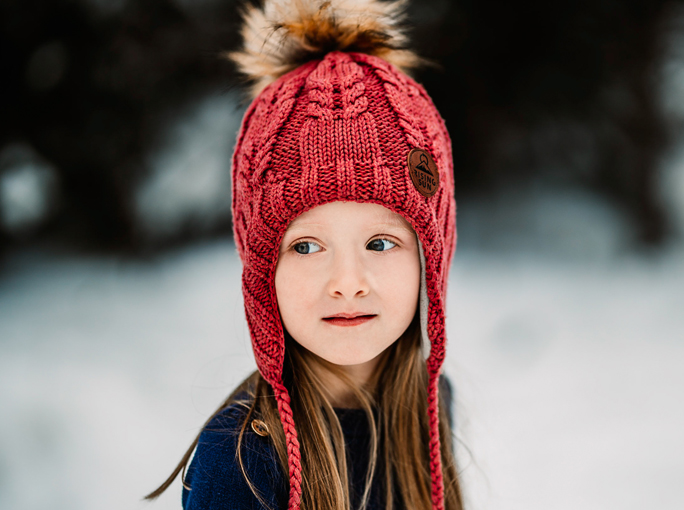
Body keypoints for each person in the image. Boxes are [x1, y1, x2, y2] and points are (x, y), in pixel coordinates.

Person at [146, 0, 463, 509]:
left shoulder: (428, 407)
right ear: (262, 269)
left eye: (380, 243)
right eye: (307, 245)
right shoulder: (240, 463)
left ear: (431, 257)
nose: (346, 281)